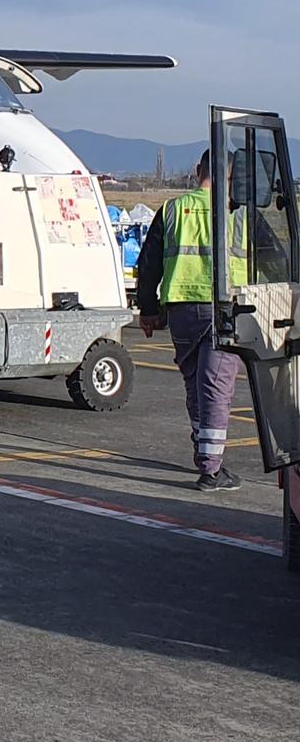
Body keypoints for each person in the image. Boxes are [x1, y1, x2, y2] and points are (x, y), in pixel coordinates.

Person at [134, 150, 247, 491]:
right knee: (216, 388)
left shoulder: (171, 210)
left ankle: (206, 456)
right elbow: (270, 261)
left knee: (196, 384)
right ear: (230, 176)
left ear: (198, 171)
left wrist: (148, 309)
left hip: (182, 309)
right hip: (224, 309)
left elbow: (149, 263)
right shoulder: (236, 215)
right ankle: (211, 469)